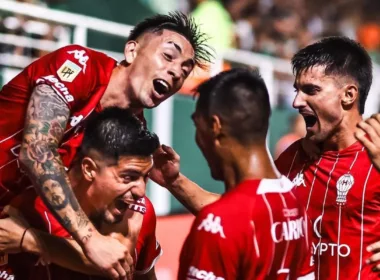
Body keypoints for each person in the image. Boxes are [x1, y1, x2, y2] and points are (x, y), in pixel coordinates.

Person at [0, 11, 212, 278]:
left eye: (185, 70)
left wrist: (171, 181)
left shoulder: (133, 131)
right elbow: (37, 152)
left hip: (12, 222)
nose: (175, 72)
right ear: (132, 51)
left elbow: (117, 251)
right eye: (168, 56)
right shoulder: (78, 66)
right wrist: (90, 239)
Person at [151, 36, 380, 279]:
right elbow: (239, 214)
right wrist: (173, 181)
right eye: (297, 90)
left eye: (311, 90)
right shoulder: (295, 157)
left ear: (349, 95)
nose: (296, 102)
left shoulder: (375, 157)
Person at [172, 68, 312, 279]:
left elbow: (234, 217)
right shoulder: (295, 200)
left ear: (215, 126)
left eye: (197, 125)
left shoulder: (216, 226)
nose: (198, 138)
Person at [0, 107, 161, 280]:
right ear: (89, 169)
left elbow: (139, 273)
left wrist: (33, 241)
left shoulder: (139, 212)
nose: (141, 191)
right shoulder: (28, 211)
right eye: (129, 177)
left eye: (146, 177)